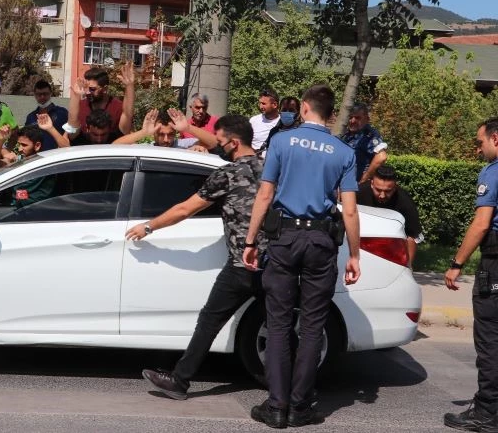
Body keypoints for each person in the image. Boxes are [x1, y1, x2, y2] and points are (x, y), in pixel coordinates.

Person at [242, 83, 361, 428]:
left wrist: (251, 240)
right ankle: (300, 406)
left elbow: (265, 195)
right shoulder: (343, 152)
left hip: (285, 238)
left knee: (278, 322)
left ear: (305, 108)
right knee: (312, 325)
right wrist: (355, 255)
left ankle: (276, 406)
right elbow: (350, 211)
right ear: (330, 114)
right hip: (322, 242)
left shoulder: (281, 141)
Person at [127, 115, 266, 400]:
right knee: (279, 324)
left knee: (210, 320)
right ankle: (289, 388)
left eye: (222, 141)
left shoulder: (228, 174)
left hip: (243, 264)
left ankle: (180, 380)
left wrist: (148, 226)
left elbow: (184, 210)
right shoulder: (273, 168)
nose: (219, 145)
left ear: (234, 143)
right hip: (278, 263)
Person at [443, 117, 498, 433]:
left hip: (494, 266)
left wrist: (457, 263)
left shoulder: (493, 171)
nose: (478, 150)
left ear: (495, 138)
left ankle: (487, 412)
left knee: (490, 340)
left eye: (480, 143)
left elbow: (481, 224)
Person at [357, 165, 423, 267]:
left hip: (391, 246)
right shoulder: (358, 193)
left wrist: (407, 267)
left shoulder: (405, 201)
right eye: (378, 190)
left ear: (395, 187)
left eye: (388, 191)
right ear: (371, 184)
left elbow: (413, 237)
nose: (382, 195)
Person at [0, 123, 57, 208]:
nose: (20, 149)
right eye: (19, 144)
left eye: (24, 145)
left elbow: (66, 148)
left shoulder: (46, 163)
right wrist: (0, 141)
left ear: (37, 146)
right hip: (17, 209)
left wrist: (50, 128)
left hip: (38, 210)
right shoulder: (18, 159)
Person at [67, 62, 134, 136]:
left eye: (92, 89)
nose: (88, 92)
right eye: (86, 87)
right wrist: (76, 95)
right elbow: (71, 130)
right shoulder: (80, 106)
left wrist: (129, 85)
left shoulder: (117, 107)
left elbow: (127, 116)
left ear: (104, 89)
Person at [112, 108, 217, 149]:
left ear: (175, 132)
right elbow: (114, 147)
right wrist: (143, 132)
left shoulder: (184, 146)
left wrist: (188, 128)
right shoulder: (145, 149)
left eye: (170, 134)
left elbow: (214, 143)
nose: (166, 140)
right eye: (161, 134)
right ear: (153, 133)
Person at [340, 103, 388, 184]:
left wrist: (363, 180)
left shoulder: (369, 135)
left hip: (360, 188)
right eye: (350, 117)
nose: (352, 121)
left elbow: (381, 157)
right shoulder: (346, 135)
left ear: (367, 119)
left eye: (357, 118)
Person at [24, 79, 68, 151]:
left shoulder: (62, 113)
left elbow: (68, 138)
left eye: (45, 94)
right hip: (38, 158)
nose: (42, 97)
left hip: (58, 157)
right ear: (34, 95)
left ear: (50, 93)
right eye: (39, 94)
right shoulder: (30, 117)